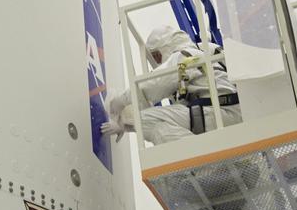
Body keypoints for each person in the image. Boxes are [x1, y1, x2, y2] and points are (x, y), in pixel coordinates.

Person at [103, 23, 240, 147]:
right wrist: (125, 126)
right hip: (224, 113)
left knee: (144, 120)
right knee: (156, 127)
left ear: (166, 46)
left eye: (157, 56)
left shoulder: (185, 56)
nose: (158, 62)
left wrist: (119, 102)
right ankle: (206, 162)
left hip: (220, 112)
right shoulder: (200, 58)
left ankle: (201, 162)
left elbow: (152, 86)